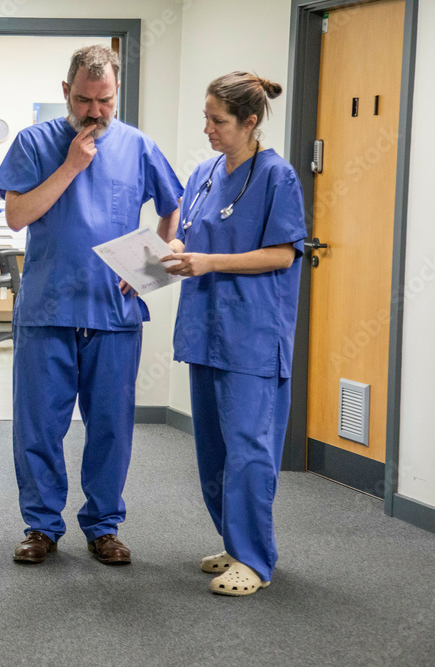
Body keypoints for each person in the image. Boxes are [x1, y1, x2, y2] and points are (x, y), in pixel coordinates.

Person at [0, 45, 183, 566]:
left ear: (116, 93)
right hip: (48, 309)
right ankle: (41, 527)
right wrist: (72, 166)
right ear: (65, 93)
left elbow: (173, 209)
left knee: (111, 427)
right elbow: (17, 216)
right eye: (84, 100)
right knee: (38, 427)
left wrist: (149, 271)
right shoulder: (35, 143)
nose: (95, 112)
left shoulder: (139, 147)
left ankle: (103, 526)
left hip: (112, 315)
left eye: (105, 100)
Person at [160, 72, 306, 596]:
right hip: (206, 328)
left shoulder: (277, 177)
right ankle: (233, 542)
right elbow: (188, 236)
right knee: (214, 448)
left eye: (218, 120)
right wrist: (167, 257)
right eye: (205, 117)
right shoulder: (203, 172)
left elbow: (283, 253)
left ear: (250, 121)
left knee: (249, 446)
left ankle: (256, 560)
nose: (208, 129)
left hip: (251, 332)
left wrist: (209, 262)